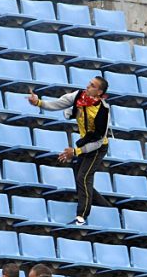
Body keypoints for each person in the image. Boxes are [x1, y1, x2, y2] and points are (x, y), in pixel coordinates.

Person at [27, 77, 111, 226]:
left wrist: (76, 151)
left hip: (98, 148)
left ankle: (81, 217)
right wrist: (39, 103)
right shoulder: (79, 96)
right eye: (89, 83)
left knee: (83, 177)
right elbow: (58, 103)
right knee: (81, 178)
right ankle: (107, 209)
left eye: (92, 86)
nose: (88, 86)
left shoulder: (103, 111)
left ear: (99, 92)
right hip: (84, 143)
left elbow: (98, 141)